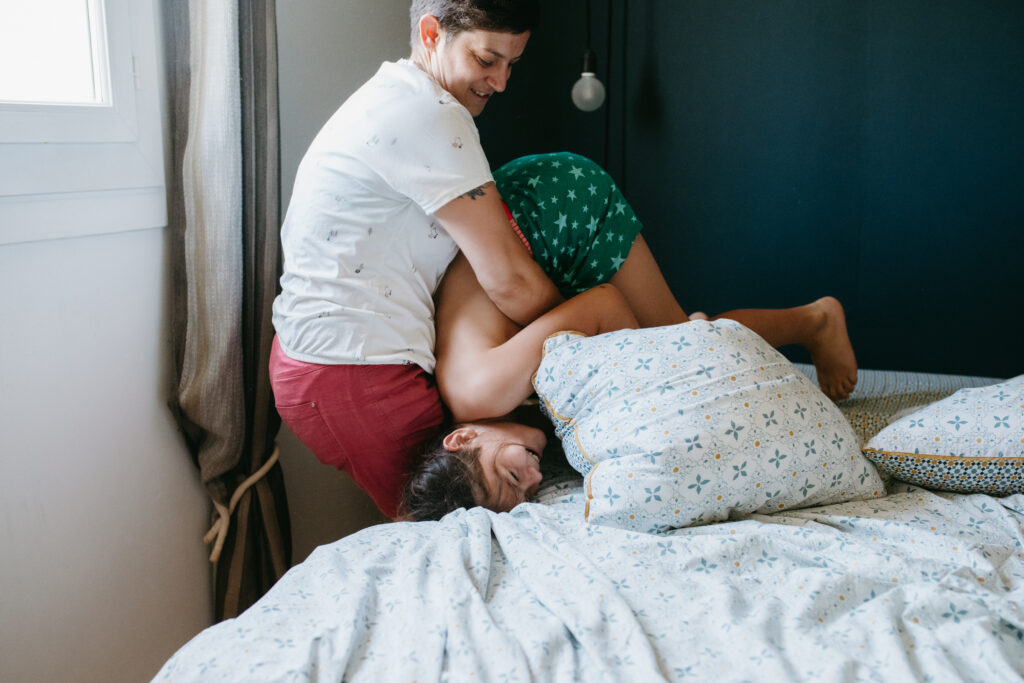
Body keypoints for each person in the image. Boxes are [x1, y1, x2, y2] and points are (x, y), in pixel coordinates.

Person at [402, 152, 859, 520]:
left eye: (510, 475)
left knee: (682, 340)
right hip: (525, 233)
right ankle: (807, 321)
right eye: (526, 493)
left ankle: (816, 320)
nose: (534, 479)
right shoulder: (491, 410)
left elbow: (604, 305)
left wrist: (653, 371)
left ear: (461, 440)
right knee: (682, 339)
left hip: (555, 205)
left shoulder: (479, 391)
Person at [269, 1, 562, 520]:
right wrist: (593, 338)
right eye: (487, 59)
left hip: (331, 366)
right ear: (431, 33)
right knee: (444, 537)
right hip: (353, 373)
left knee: (454, 526)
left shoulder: (392, 97)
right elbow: (510, 280)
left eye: (512, 64)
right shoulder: (431, 113)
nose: (501, 82)